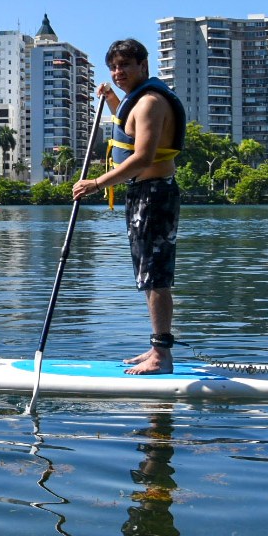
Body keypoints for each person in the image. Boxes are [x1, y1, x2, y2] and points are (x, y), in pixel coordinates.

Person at [72, 39, 185, 374]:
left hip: (155, 194)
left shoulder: (151, 102)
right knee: (147, 274)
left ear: (143, 66)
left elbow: (143, 157)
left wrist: (96, 183)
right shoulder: (136, 102)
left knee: (155, 275)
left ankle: (162, 355)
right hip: (142, 194)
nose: (119, 73)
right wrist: (110, 100)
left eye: (125, 66)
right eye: (114, 68)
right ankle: (156, 348)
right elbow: (126, 124)